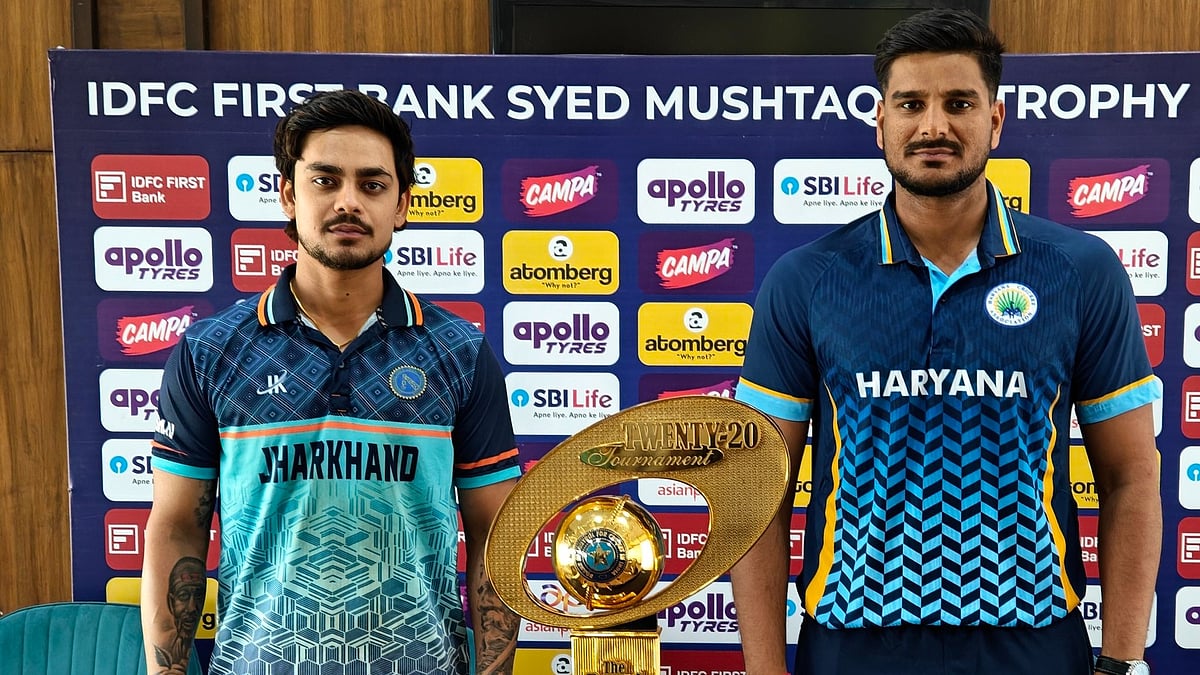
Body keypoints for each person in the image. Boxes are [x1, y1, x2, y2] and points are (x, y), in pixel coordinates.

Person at [730, 9, 1161, 675]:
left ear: (995, 119)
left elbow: (1131, 476)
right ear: (882, 122)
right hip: (854, 644)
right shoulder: (807, 279)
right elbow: (761, 495)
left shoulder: (1079, 270)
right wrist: (763, 668)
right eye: (912, 104)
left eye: (959, 103)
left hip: (1032, 642)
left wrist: (1123, 658)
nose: (935, 125)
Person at [142, 89, 522, 675]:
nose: (349, 201)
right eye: (325, 180)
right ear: (290, 196)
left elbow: (495, 538)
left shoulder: (459, 352)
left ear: (401, 205)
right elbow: (175, 529)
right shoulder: (211, 349)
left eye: (372, 184)